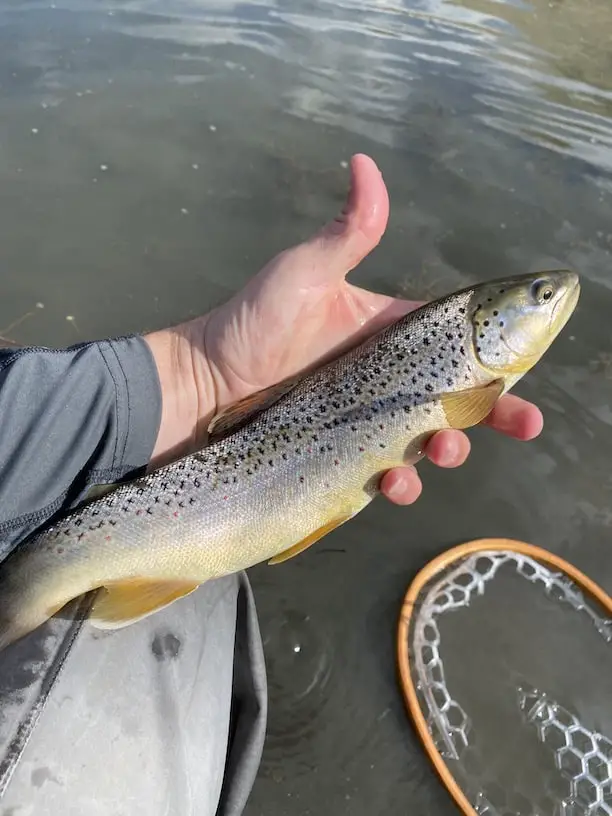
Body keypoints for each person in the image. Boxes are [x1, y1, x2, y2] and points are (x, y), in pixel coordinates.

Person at [0, 154, 542, 815]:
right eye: (539, 300)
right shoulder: (470, 382)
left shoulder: (468, 376)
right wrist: (197, 372)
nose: (554, 299)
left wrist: (193, 372)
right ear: (490, 327)